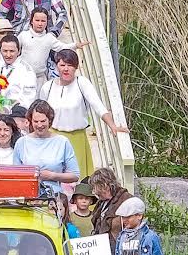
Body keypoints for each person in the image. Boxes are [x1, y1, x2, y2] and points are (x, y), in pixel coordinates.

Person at [37, 48, 126, 180]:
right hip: (53, 138)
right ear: (56, 66)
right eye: (62, 65)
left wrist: (112, 125)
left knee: (78, 178)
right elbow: (40, 112)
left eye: (70, 65)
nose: (66, 69)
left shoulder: (82, 83)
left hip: (76, 138)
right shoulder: (47, 87)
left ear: (76, 67)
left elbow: (98, 105)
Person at [11, 99, 79, 190]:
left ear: (50, 120)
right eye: (36, 121)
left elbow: (75, 175)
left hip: (54, 195)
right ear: (30, 121)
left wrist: (53, 176)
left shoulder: (62, 142)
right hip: (28, 195)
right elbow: (15, 174)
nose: (39, 125)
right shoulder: (21, 142)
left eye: (43, 121)